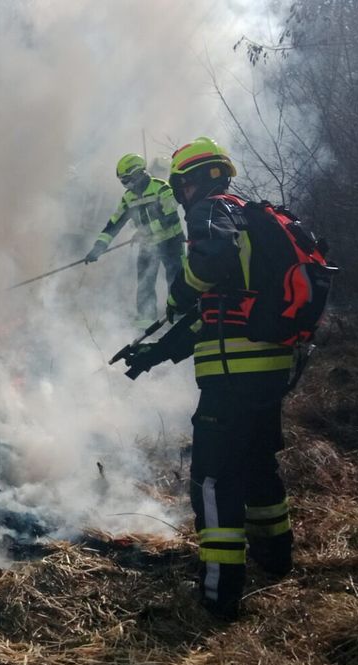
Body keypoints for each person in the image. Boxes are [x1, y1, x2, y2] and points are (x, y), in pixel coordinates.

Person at [122, 137, 294, 620]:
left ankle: (219, 595)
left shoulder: (210, 211)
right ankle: (276, 559)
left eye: (180, 185)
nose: (180, 195)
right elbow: (218, 315)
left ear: (194, 180)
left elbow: (207, 270)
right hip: (269, 365)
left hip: (231, 373)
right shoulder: (248, 217)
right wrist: (158, 352)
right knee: (258, 465)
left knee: (214, 480)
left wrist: (179, 292)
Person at [80, 154, 185, 322]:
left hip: (171, 242)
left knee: (176, 279)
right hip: (148, 244)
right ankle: (146, 321)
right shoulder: (128, 198)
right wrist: (98, 247)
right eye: (122, 181)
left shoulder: (161, 188)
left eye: (127, 180)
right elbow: (114, 223)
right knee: (144, 282)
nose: (126, 185)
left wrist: (144, 231)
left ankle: (181, 317)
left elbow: (169, 218)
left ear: (138, 174)